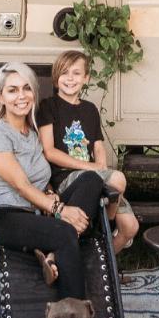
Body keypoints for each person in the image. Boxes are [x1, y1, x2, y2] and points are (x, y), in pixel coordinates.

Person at [0, 60, 106, 300]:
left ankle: (52, 257)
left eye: (27, 88)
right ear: (0, 97)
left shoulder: (32, 134)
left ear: (34, 94)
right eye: (12, 90)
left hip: (36, 213)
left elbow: (40, 179)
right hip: (2, 215)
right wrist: (60, 209)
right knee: (65, 234)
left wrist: (49, 192)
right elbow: (21, 185)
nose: (21, 96)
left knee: (91, 179)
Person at [36, 49, 139, 256]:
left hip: (95, 176)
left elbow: (98, 145)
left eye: (76, 73)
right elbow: (49, 152)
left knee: (130, 228)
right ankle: (102, 227)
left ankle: (101, 270)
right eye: (64, 73)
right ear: (56, 77)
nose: (70, 78)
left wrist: (101, 166)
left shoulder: (90, 109)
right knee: (117, 178)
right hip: (67, 179)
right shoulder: (49, 106)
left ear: (86, 78)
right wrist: (92, 167)